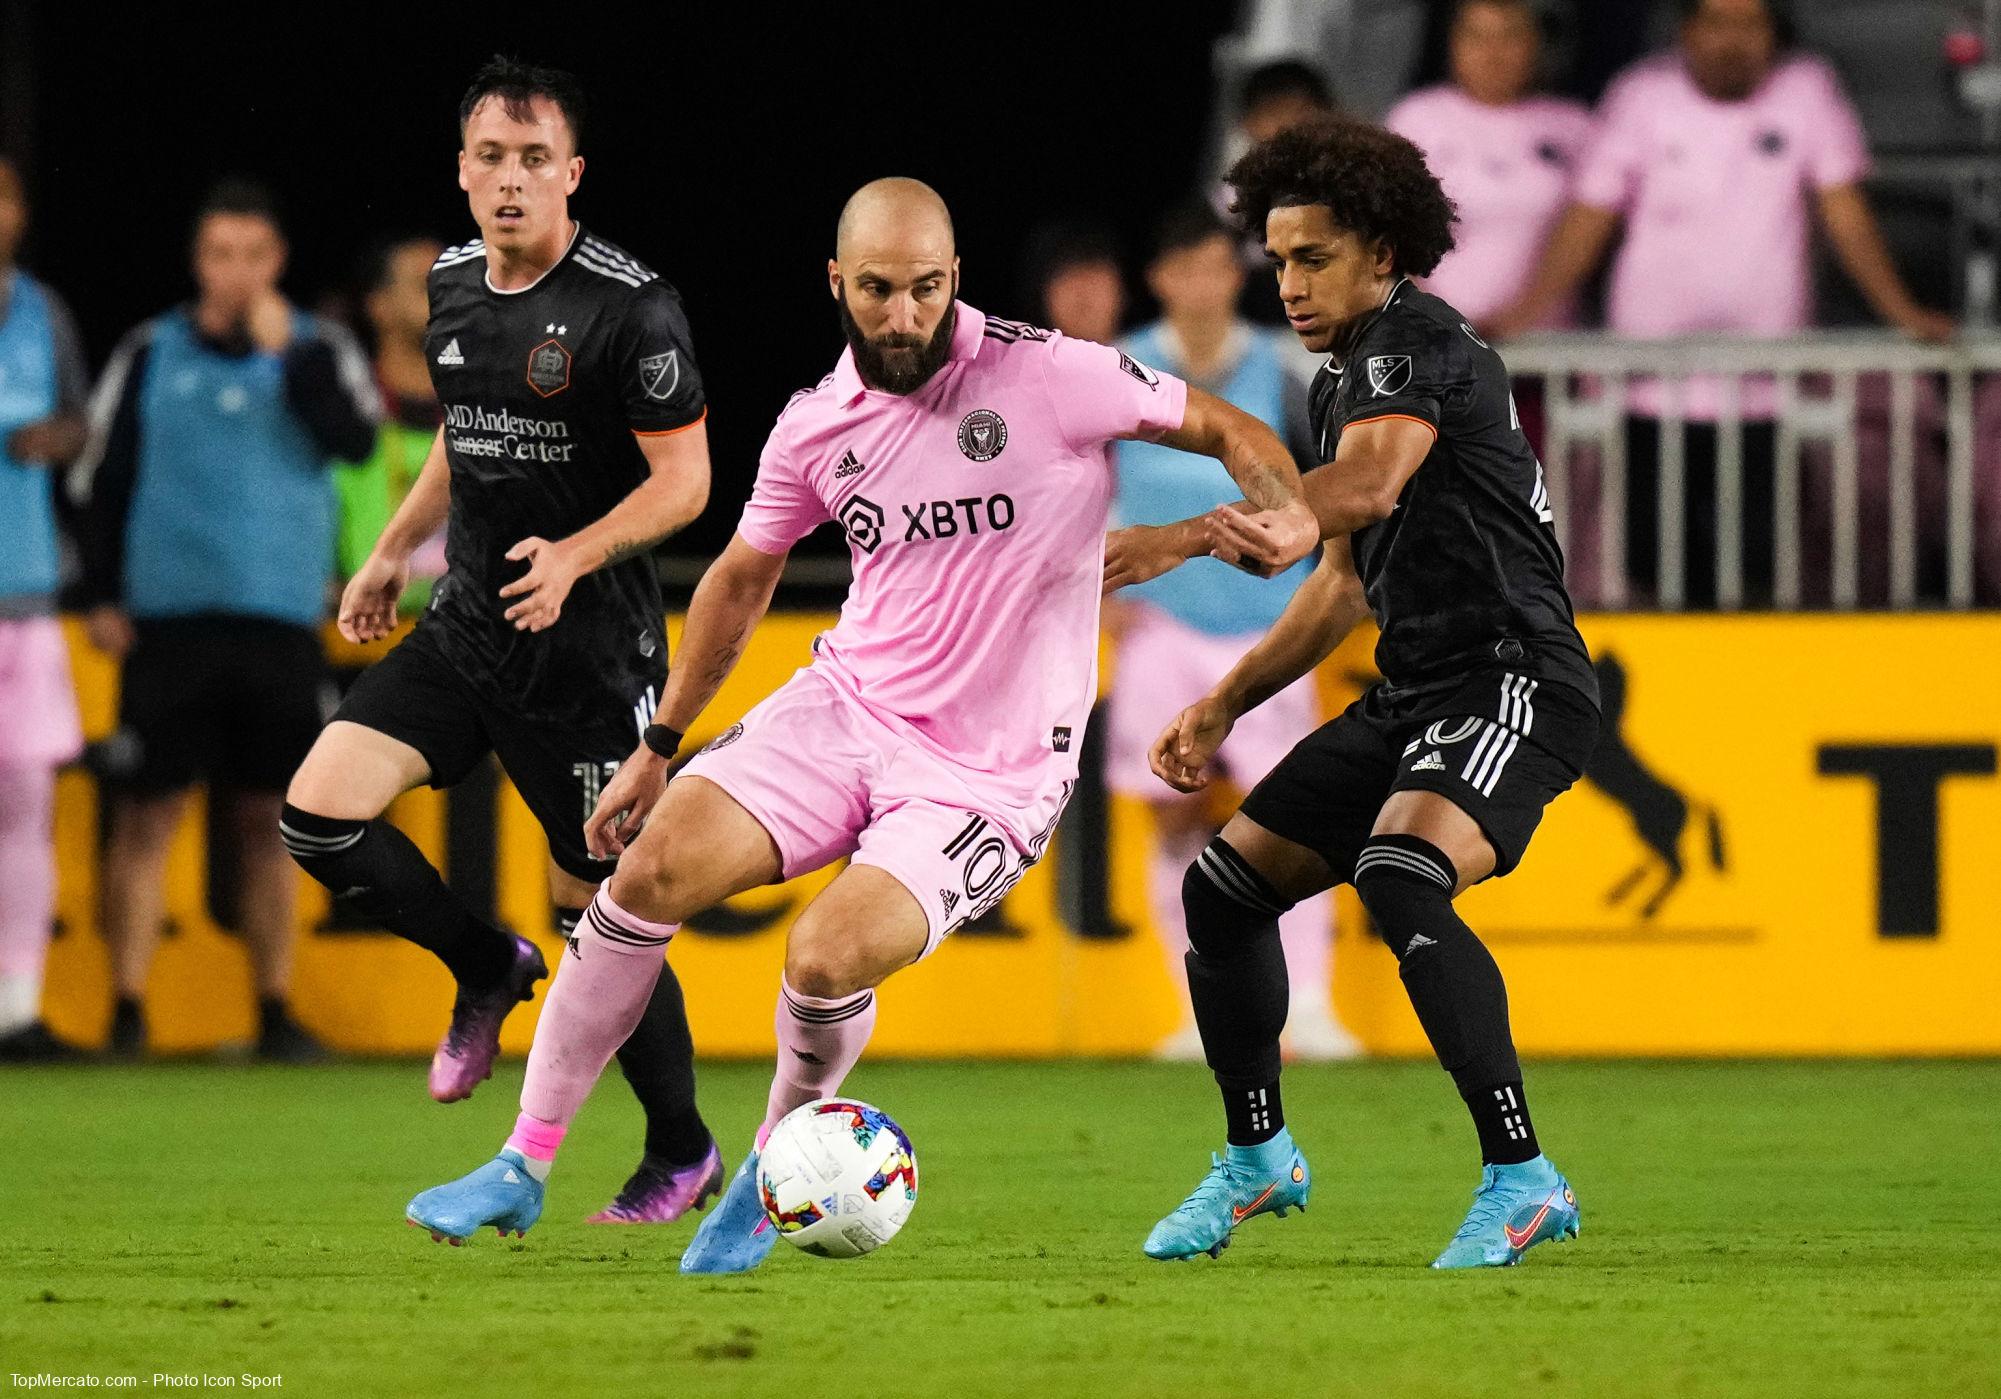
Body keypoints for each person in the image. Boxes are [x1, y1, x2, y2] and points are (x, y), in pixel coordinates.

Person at [403, 177, 1322, 1263]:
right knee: (641, 875)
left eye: (925, 289)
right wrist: (660, 745)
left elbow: (1227, 424)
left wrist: (1288, 503)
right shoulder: (814, 425)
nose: (902, 315)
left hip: (988, 770)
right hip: (845, 707)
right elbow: (741, 582)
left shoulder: (1050, 373)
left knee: (828, 957)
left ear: (954, 282)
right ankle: (523, 1160)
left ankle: (767, 1164)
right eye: (879, 289)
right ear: (837, 283)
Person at [1115, 117, 1599, 1269]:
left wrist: (1197, 533)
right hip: (1419, 691)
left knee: (1399, 870)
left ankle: (1523, 1175)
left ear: (1384, 253)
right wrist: (1230, 698)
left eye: (1313, 256)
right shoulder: (1342, 384)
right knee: (1226, 890)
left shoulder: (1411, 346)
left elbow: (1366, 488)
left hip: (1512, 677)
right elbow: (1341, 580)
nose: (1286, 283)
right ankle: (1256, 1158)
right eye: (1276, 259)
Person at [281, 58, 724, 1225]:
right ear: (464, 170)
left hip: (587, 665)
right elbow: (458, 438)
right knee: (316, 814)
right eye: (491, 157)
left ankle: (681, 1148)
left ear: (573, 173)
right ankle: (483, 963)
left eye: (535, 159)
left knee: (602, 925)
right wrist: (390, 551)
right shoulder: (451, 282)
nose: (511, 179)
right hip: (469, 628)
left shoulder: (635, 308)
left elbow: (689, 482)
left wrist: (577, 552)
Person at [1486, 0, 1952, 607]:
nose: (1732, 40)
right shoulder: (1642, 96)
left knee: (1762, 568)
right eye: (1717, 22)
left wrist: (1902, 312)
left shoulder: (1807, 90)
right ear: (1687, 31)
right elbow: (1589, 216)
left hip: (1763, 390)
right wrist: (1525, 312)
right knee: (1652, 567)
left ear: (1774, 34)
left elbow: (1846, 214)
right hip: (1648, 387)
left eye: (1749, 24)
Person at [73, 179, 378, 1061]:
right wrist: (98, 593)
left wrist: (298, 361)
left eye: (252, 256)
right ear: (197, 259)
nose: (235, 273)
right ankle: (126, 1010)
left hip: (279, 620)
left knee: (269, 820)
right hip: (167, 623)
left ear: (276, 262)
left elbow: (355, 443)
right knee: (145, 817)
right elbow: (99, 476)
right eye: (218, 255)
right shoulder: (149, 351)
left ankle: (273, 1009)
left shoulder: (319, 350)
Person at [1107, 201, 1358, 1062]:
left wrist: (1338, 585)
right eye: (1184, 267)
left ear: (1233, 275)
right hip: (1161, 629)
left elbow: (1330, 482)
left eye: (1218, 265)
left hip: (1264, 629)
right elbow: (1079, 478)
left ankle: (1312, 1004)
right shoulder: (1120, 369)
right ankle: (1195, 1011)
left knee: (1292, 819)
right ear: (1160, 280)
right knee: (1172, 818)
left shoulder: (1278, 371)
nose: (1202, 283)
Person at [0, 154, 91, 1060]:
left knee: (27, 802)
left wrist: (55, 438)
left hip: (26, 591)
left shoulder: (42, 312)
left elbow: (78, 422)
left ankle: (17, 1008)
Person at [1385, 0, 1594, 329]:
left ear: (1536, 43)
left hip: (1546, 344)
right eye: (1476, 36)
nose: (1492, 53)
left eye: (1509, 36)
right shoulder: (1416, 119)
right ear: (1453, 43)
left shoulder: (1574, 127)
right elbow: (1386, 229)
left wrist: (1521, 315)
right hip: (1436, 341)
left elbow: (1588, 230)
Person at [334, 236, 447, 615]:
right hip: (356, 645)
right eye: (425, 283)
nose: (447, 293)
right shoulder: (341, 420)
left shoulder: (490, 417)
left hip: (466, 647)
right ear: (379, 306)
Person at [1021, 219, 1125, 346]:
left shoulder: (1152, 354)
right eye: (1063, 274)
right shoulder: (1018, 363)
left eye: (1092, 268)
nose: (1081, 288)